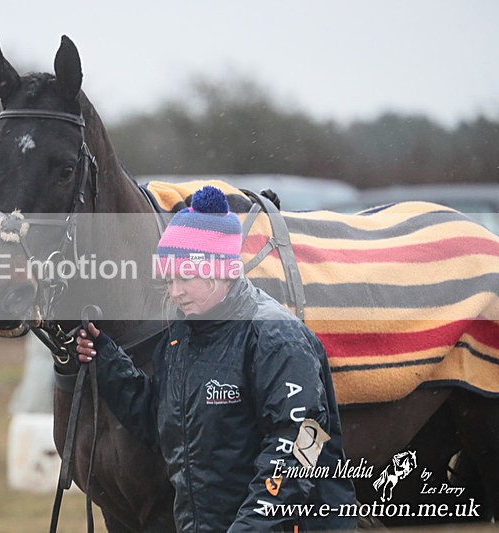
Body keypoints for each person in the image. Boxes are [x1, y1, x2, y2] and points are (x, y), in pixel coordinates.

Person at [75, 186, 357, 531]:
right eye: (170, 279)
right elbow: (164, 426)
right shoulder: (181, 338)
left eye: (186, 277)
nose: (176, 291)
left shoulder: (277, 337)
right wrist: (106, 359)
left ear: (221, 270)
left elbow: (302, 448)